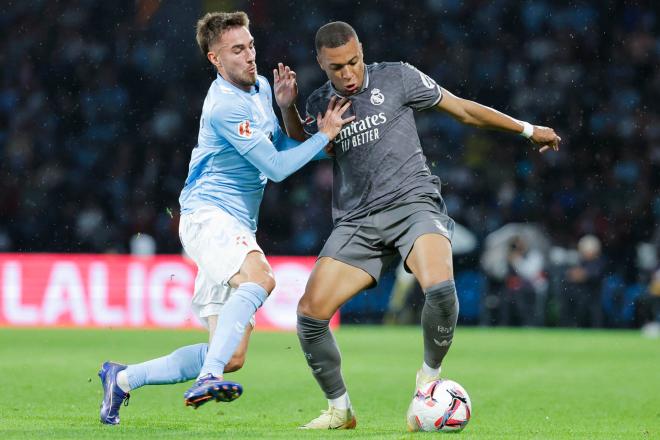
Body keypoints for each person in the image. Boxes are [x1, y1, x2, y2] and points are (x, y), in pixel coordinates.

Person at [294, 21, 561, 430]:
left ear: (361, 50)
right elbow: (302, 151)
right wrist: (285, 110)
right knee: (310, 316)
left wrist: (527, 130)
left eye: (353, 62)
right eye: (336, 68)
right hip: (356, 221)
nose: (347, 74)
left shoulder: (398, 76)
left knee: (440, 288)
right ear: (320, 63)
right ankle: (340, 410)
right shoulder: (319, 103)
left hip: (412, 203)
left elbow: (464, 109)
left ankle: (428, 381)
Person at [97, 11, 353, 425]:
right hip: (207, 215)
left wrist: (287, 108)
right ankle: (207, 377)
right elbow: (275, 168)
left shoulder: (262, 87)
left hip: (233, 225)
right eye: (237, 50)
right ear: (216, 59)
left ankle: (123, 378)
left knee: (231, 354)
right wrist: (324, 135)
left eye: (250, 45)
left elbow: (284, 143)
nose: (250, 55)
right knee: (260, 279)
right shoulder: (223, 107)